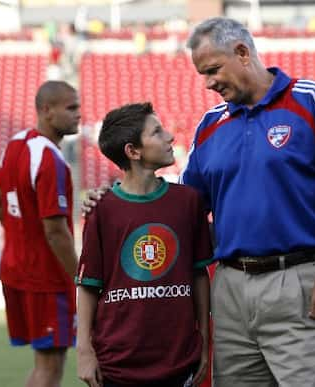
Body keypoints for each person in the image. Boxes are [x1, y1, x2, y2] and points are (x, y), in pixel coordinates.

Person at [83, 17, 315, 387]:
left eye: (213, 70)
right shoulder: (210, 124)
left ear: (242, 53)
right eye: (203, 74)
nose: (209, 82)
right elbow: (184, 207)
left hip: (297, 281)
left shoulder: (311, 99)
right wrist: (115, 199)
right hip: (229, 286)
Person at [75, 102, 212, 387]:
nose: (170, 137)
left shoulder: (187, 201)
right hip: (117, 363)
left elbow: (199, 275)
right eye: (157, 132)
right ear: (133, 151)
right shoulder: (102, 209)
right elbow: (89, 285)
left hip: (178, 359)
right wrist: (84, 350)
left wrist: (204, 340)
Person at [0, 80, 81, 387]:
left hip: (13, 268)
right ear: (47, 111)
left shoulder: (15, 143)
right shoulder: (50, 159)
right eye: (71, 108)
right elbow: (55, 231)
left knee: (45, 364)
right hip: (46, 278)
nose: (79, 115)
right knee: (51, 366)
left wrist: (21, 238)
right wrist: (79, 280)